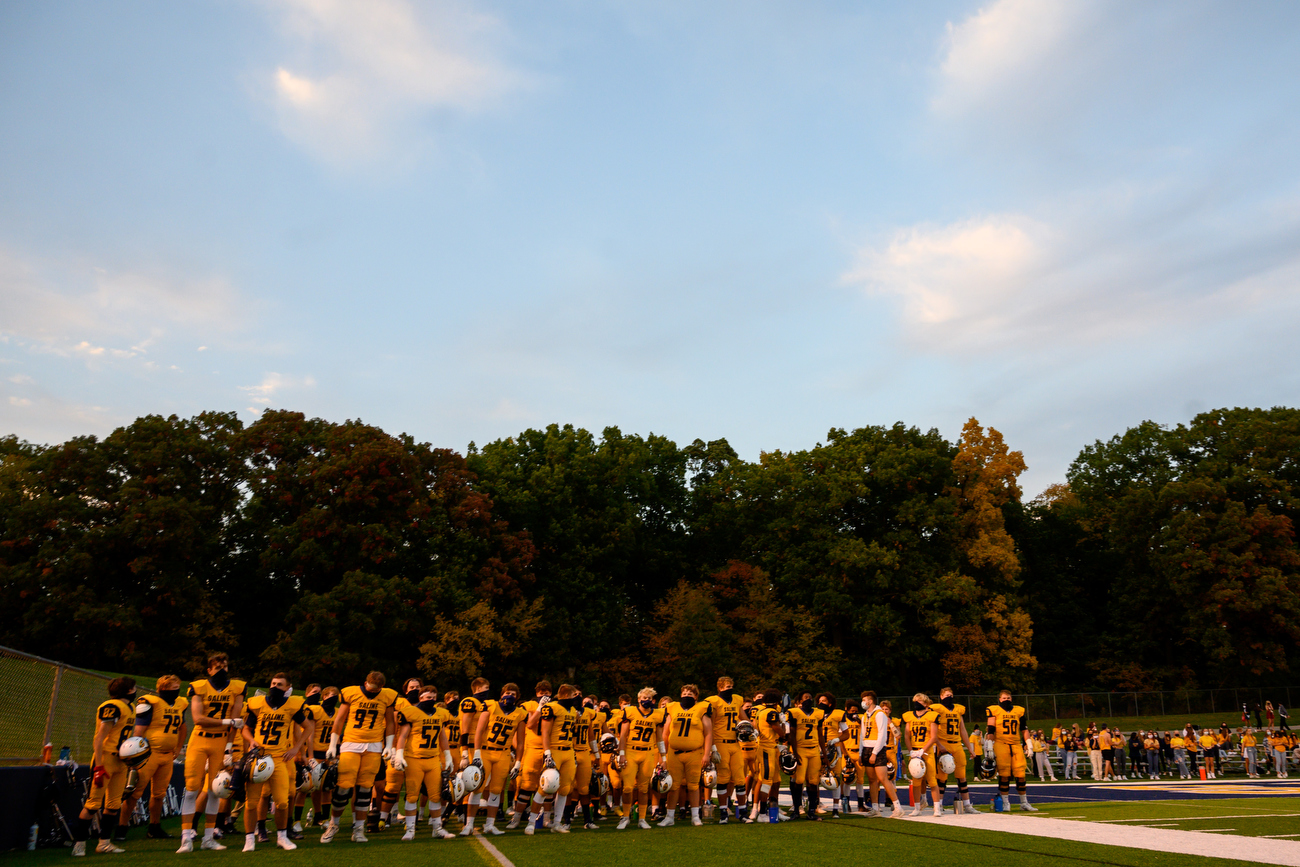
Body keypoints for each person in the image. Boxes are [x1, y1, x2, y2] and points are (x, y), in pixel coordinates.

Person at [178, 653, 247, 853]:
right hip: (200, 740)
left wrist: (229, 747)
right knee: (191, 789)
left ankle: (208, 837)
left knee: (215, 791)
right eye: (217, 667)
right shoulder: (198, 686)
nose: (222, 670)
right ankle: (186, 838)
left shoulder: (238, 687)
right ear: (209, 670)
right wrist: (227, 722)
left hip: (221, 743)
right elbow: (198, 718)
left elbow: (237, 719)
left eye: (225, 666)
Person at [320, 671, 398, 844]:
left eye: (375, 690)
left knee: (365, 789)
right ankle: (333, 824)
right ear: (365, 682)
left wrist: (389, 745)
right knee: (343, 787)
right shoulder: (351, 693)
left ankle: (359, 829)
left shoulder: (387, 696)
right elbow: (339, 719)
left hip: (374, 745)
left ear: (381, 688)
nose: (371, 692)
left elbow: (390, 722)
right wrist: (333, 744)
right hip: (351, 743)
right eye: (369, 688)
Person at [239, 672, 313, 852]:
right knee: (251, 801)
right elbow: (246, 729)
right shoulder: (258, 704)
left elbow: (309, 727)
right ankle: (249, 839)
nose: (275, 687)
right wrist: (251, 740)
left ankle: (282, 837)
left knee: (282, 802)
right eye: (273, 683)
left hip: (279, 758)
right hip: (258, 757)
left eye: (280, 684)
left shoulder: (292, 705)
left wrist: (296, 748)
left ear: (288, 688)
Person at [71, 678, 138, 856]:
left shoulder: (130, 708)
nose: (135, 690)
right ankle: (79, 844)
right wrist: (99, 766)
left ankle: (104, 843)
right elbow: (99, 738)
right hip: (106, 759)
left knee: (114, 804)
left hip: (121, 761)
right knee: (93, 804)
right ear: (129, 690)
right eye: (134, 687)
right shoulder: (112, 706)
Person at [119, 675, 187, 842]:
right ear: (162, 689)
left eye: (177, 687)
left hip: (167, 755)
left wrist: (178, 748)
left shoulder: (180, 704)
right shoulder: (150, 703)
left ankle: (154, 827)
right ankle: (122, 828)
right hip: (150, 754)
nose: (175, 691)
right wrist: (136, 755)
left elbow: (182, 727)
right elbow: (139, 730)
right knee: (135, 793)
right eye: (172, 688)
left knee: (159, 794)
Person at [392, 684, 456, 839]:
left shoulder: (440, 713)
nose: (431, 700)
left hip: (433, 759)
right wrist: (399, 754)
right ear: (420, 697)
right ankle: (410, 830)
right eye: (428, 697)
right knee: (412, 796)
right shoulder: (411, 712)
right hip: (414, 759)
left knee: (435, 796)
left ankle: (437, 828)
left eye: (434, 698)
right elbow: (402, 735)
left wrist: (447, 756)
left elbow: (442, 736)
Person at [658, 684, 713, 826]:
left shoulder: (702, 708)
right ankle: (670, 817)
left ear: (696, 697)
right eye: (684, 693)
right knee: (673, 785)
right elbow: (665, 734)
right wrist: (662, 756)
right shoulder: (672, 707)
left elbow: (708, 733)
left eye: (690, 693)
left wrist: (706, 754)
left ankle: (695, 816)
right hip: (674, 753)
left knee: (694, 785)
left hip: (694, 753)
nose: (687, 695)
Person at [615, 687, 665, 830]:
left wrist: (664, 757)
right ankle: (625, 817)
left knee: (644, 788)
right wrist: (622, 753)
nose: (646, 700)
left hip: (648, 753)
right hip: (630, 751)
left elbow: (660, 738)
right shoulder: (630, 712)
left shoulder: (657, 715)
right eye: (644, 698)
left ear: (653, 700)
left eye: (649, 698)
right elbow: (623, 735)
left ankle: (642, 818)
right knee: (628, 787)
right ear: (638, 699)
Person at [705, 677, 748, 824]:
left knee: (740, 777)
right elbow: (710, 725)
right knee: (723, 777)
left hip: (735, 743)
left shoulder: (737, 700)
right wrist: (712, 747)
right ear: (720, 688)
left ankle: (743, 812)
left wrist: (748, 728)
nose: (729, 688)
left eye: (731, 685)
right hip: (720, 742)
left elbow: (744, 720)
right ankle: (723, 812)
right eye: (726, 686)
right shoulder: (714, 701)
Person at [986, 689, 1036, 812]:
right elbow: (991, 730)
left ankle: (1024, 802)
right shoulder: (995, 710)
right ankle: (1005, 802)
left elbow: (1024, 729)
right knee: (1004, 773)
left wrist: (1028, 744)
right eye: (1004, 698)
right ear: (999, 699)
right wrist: (989, 746)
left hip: (1015, 744)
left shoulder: (1019, 710)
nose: (1006, 700)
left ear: (1011, 699)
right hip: (1001, 743)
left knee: (1021, 773)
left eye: (1008, 698)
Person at [930, 688, 976, 812]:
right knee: (942, 777)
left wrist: (970, 749)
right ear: (941, 696)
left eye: (951, 695)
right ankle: (939, 804)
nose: (949, 697)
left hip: (957, 745)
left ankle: (967, 805)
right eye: (946, 695)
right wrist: (938, 744)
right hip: (944, 744)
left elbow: (963, 730)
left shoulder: (958, 710)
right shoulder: (937, 709)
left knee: (962, 776)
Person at [858, 692, 903, 818]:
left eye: (865, 699)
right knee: (872, 781)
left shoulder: (879, 714)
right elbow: (862, 736)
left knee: (883, 779)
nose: (863, 702)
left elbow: (882, 735)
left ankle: (897, 807)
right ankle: (875, 808)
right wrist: (861, 753)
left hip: (877, 749)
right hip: (867, 748)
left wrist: (874, 753)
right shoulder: (865, 716)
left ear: (870, 701)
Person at [786, 691, 826, 821]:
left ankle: (812, 811)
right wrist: (795, 751)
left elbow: (820, 734)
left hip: (814, 750)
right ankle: (797, 809)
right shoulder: (795, 713)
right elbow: (791, 733)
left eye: (810, 697)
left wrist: (824, 752)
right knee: (799, 780)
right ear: (800, 700)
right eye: (805, 697)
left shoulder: (818, 713)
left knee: (813, 781)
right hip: (801, 749)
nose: (808, 699)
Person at [901, 693, 941, 818]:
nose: (916, 702)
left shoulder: (932, 716)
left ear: (926, 703)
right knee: (916, 780)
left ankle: (937, 808)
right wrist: (911, 750)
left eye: (919, 701)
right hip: (914, 751)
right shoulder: (909, 716)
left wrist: (922, 750)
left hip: (927, 751)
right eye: (915, 700)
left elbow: (934, 737)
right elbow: (907, 736)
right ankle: (917, 808)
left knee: (932, 779)